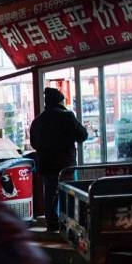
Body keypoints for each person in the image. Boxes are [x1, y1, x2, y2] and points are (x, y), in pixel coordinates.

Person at [29, 87, 88, 232]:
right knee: (69, 193)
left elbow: (34, 144)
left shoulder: (37, 121)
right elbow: (82, 136)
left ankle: (52, 223)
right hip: (65, 165)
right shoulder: (67, 116)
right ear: (60, 101)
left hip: (46, 164)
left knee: (50, 194)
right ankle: (69, 224)